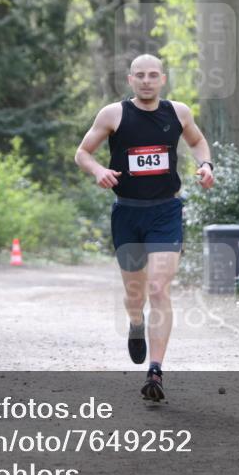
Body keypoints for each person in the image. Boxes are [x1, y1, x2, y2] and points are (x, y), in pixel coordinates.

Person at [75, 54, 215, 402]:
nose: (147, 81)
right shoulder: (113, 114)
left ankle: (155, 370)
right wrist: (98, 171)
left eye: (153, 75)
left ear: (163, 79)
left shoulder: (178, 112)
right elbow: (82, 153)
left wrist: (206, 165)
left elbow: (197, 142)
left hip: (166, 211)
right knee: (135, 294)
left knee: (157, 288)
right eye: (140, 75)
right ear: (130, 80)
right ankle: (136, 322)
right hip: (127, 213)